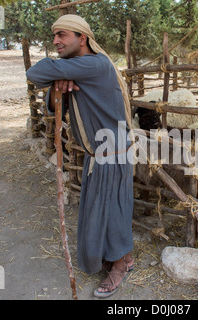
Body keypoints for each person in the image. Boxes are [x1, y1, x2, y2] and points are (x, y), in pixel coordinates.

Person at [26, 14, 134, 298]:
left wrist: (58, 74)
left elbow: (36, 72)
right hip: (99, 153)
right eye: (54, 36)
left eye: (62, 35)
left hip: (112, 151)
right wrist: (58, 85)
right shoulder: (77, 68)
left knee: (113, 212)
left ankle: (121, 266)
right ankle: (121, 257)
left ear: (81, 38)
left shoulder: (95, 64)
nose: (55, 42)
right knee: (101, 211)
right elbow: (53, 106)